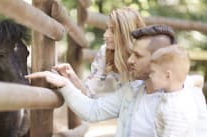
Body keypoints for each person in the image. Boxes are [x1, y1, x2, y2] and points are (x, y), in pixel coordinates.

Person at [25, 25, 207, 137]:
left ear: (158, 59)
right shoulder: (132, 91)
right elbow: (92, 111)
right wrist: (65, 84)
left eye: (137, 55)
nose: (129, 61)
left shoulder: (187, 103)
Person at [61, 7, 146, 97]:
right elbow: (89, 92)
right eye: (107, 29)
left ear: (126, 34)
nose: (105, 35)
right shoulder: (104, 52)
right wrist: (72, 77)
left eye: (113, 31)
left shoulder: (144, 58)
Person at [149, 45, 197, 136]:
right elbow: (197, 79)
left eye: (153, 72)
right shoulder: (183, 86)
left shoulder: (173, 111)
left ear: (168, 76)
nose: (150, 76)